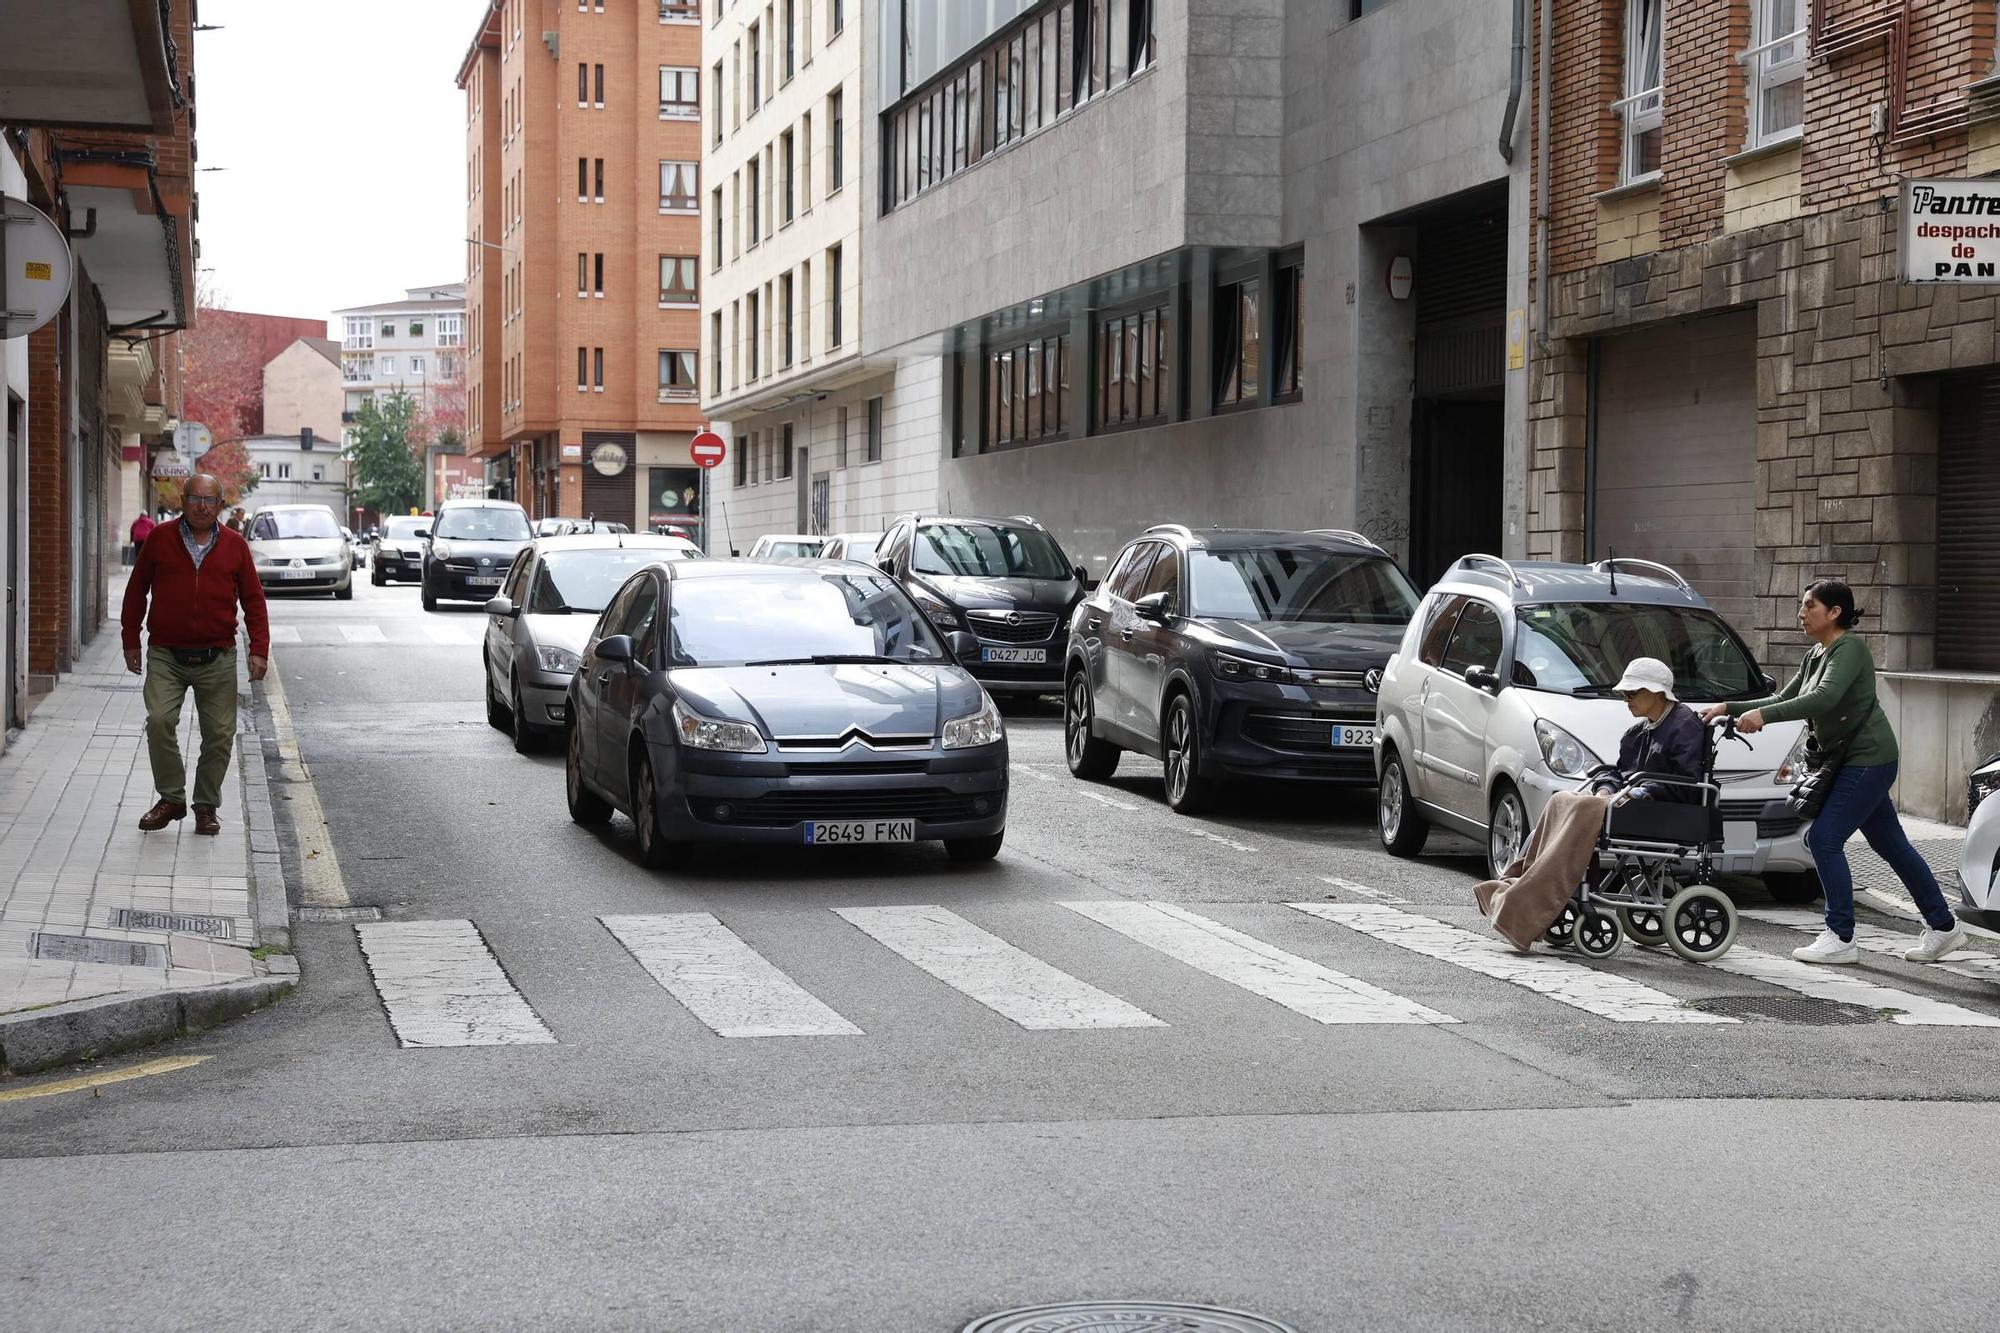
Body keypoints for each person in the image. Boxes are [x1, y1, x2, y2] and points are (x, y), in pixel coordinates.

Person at [1703, 579, 1964, 965]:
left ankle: (1840, 936)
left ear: (1835, 612)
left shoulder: (1850, 649)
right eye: (1802, 605)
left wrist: (1763, 716)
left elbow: (1824, 698)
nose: (1801, 612)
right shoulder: (1816, 653)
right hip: (1847, 760)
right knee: (1891, 845)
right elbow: (1785, 698)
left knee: (1824, 839)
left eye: (1809, 605)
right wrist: (1731, 708)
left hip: (1867, 759)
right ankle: (1943, 927)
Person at [121, 473, 270, 836]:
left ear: (219, 505)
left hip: (217, 655)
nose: (202, 507)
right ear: (183, 500)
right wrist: (130, 639)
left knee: (219, 733)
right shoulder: (159, 538)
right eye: (195, 499)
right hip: (166, 654)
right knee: (158, 720)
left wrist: (259, 649)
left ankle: (205, 806)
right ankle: (172, 798)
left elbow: (253, 600)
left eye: (210, 500)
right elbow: (136, 590)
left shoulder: (235, 545)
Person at [1589, 657, 1705, 804]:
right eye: (1623, 693)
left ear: (1657, 691)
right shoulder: (1634, 734)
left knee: (1583, 807)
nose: (1626, 699)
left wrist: (1640, 792)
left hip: (1660, 814)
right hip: (1633, 809)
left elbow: (1689, 787)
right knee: (1563, 799)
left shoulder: (1686, 727)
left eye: (1631, 692)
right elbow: (1624, 774)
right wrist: (1605, 788)